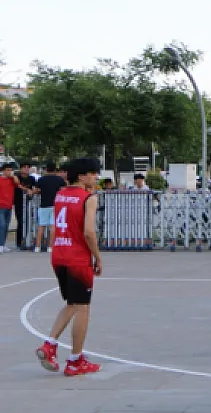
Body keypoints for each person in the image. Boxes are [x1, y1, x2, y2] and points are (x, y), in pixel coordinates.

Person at [34, 158, 104, 376]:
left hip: (59, 255)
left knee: (72, 303)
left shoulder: (60, 195)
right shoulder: (88, 198)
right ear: (81, 176)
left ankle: (50, 344)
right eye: (92, 173)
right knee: (83, 307)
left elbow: (56, 228)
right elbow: (88, 232)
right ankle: (75, 359)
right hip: (77, 258)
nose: (95, 177)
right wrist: (97, 257)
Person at [34, 162, 67, 253]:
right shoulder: (59, 179)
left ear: (46, 169)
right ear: (55, 169)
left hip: (43, 204)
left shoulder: (41, 179)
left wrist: (41, 192)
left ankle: (37, 246)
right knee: (53, 226)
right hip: (55, 204)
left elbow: (36, 191)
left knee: (41, 225)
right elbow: (63, 190)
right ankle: (50, 247)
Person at [0, 162, 17, 252]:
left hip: (9, 206)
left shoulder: (12, 180)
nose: (9, 172)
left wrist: (13, 176)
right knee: (2, 225)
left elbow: (17, 183)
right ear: (3, 171)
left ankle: (3, 244)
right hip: (1, 206)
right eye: (7, 170)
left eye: (11, 170)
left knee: (6, 226)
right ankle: (0, 245)